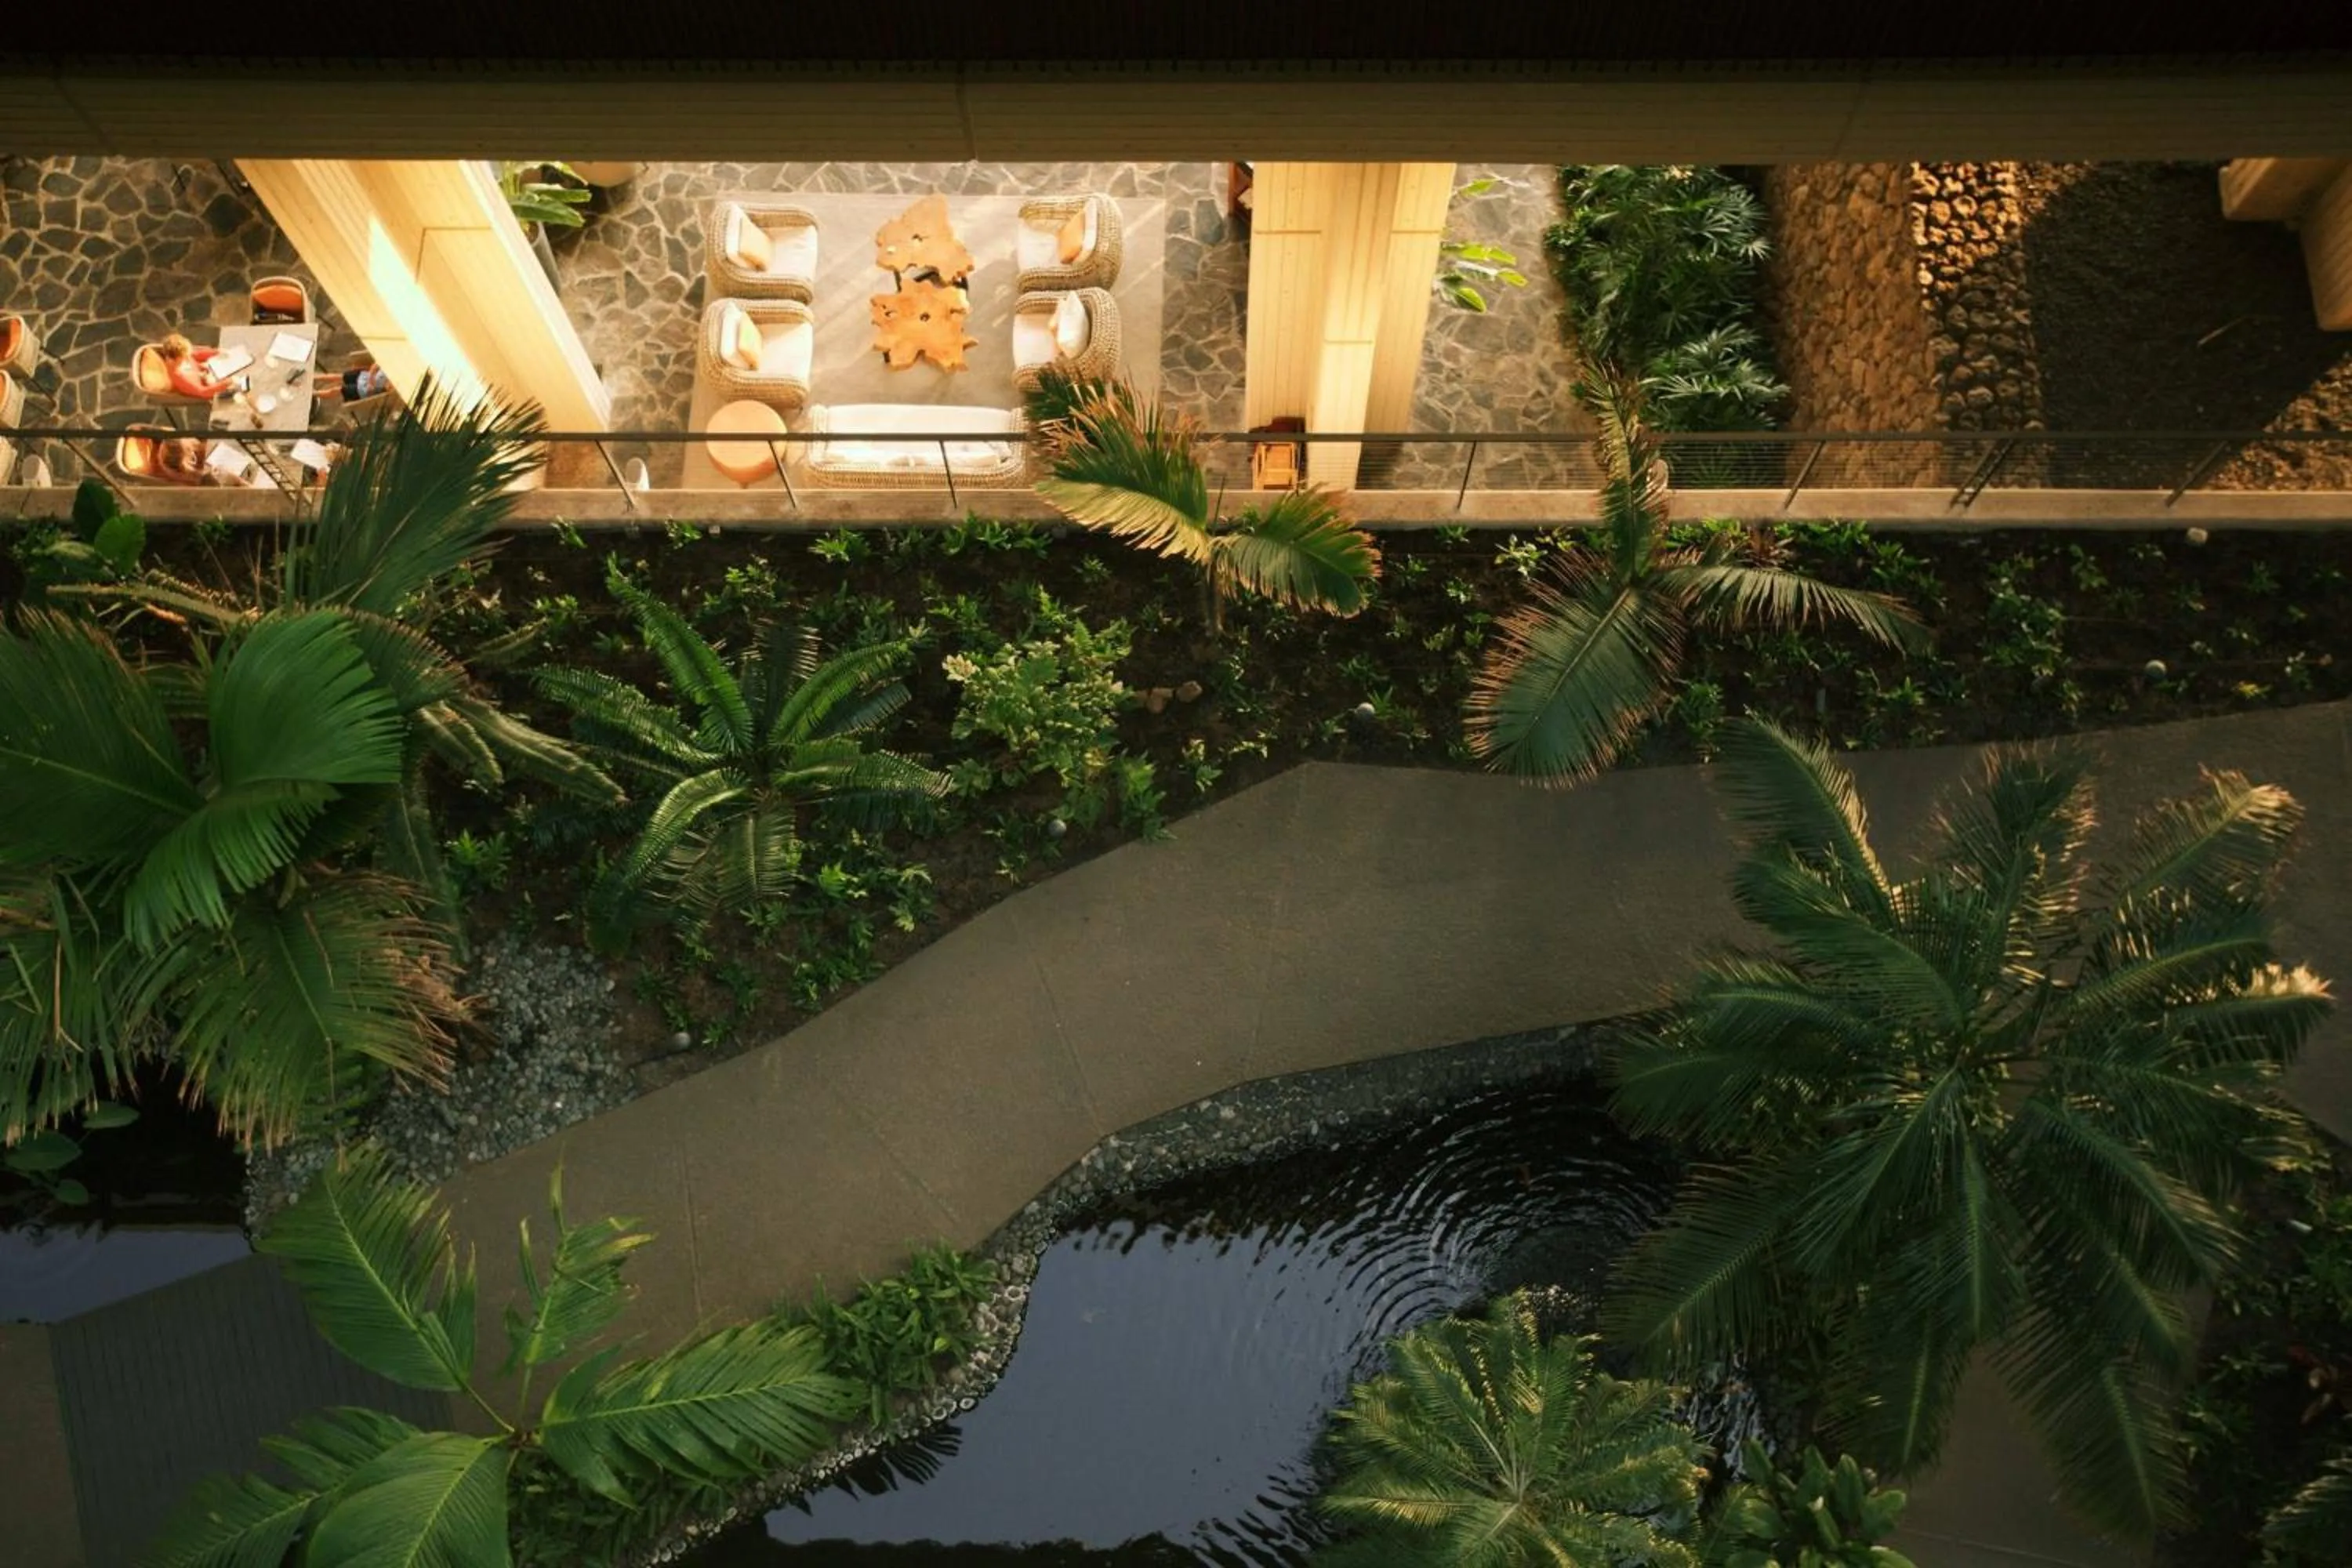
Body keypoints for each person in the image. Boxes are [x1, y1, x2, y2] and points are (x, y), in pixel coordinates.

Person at [156, 332, 241, 400]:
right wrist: (228, 382)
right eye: (184, 357)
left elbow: (196, 354)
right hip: (212, 389)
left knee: (236, 361)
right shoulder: (177, 376)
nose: (187, 358)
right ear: (172, 359)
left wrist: (218, 352)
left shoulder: (179, 357)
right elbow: (203, 392)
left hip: (209, 374)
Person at [315, 361, 390, 402]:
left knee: (336, 390)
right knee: (338, 377)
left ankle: (313, 394)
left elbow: (387, 391)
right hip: (363, 376)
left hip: (363, 390)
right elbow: (375, 366)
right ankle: (313, 378)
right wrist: (371, 377)